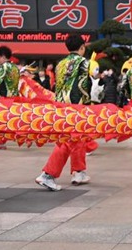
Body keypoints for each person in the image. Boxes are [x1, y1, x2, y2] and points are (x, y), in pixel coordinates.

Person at [35, 34, 92, 191]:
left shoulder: (60, 63)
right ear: (82, 47)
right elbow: (84, 86)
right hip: (75, 106)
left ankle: (79, 171)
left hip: (61, 106)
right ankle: (48, 174)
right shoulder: (83, 63)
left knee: (77, 138)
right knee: (67, 141)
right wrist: (86, 105)